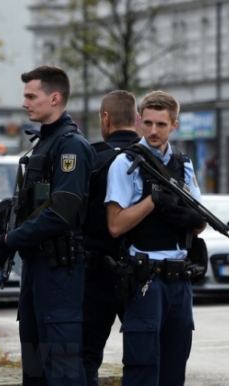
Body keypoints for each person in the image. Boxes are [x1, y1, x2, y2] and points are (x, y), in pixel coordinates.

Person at [0, 65, 92, 386]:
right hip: (37, 269)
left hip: (59, 271)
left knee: (62, 370)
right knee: (35, 371)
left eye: (30, 96)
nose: (25, 103)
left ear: (54, 97)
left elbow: (62, 210)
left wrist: (12, 239)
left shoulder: (70, 146)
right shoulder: (43, 144)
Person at [105, 91, 206, 386]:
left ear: (174, 125)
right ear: (138, 121)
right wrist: (152, 201)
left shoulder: (183, 164)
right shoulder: (126, 163)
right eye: (147, 123)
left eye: (161, 125)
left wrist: (193, 220)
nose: (152, 131)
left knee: (175, 370)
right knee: (142, 371)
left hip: (179, 280)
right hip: (145, 278)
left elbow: (200, 220)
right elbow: (114, 225)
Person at [82, 90, 140, 386]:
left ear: (105, 119)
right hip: (143, 274)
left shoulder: (90, 158)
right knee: (143, 358)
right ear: (139, 120)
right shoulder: (153, 160)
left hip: (96, 274)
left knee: (86, 357)